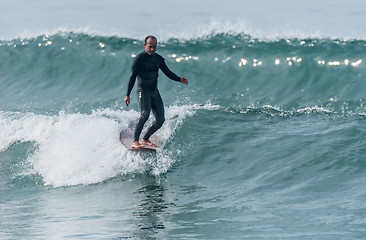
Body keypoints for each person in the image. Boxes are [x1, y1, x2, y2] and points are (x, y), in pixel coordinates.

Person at [124, 35, 188, 149]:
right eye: (150, 47)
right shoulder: (139, 59)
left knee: (160, 120)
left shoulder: (158, 59)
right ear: (145, 45)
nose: (152, 49)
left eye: (154, 47)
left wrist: (179, 79)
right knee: (145, 114)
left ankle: (145, 139)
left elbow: (168, 72)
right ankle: (135, 141)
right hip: (143, 91)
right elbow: (132, 77)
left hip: (154, 91)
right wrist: (127, 95)